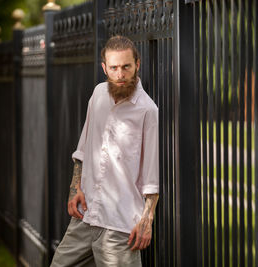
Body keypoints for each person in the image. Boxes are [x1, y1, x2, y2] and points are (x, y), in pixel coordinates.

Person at [50, 35, 159, 267]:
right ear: (104, 68)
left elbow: (151, 177)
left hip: (119, 226)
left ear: (137, 64)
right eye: (114, 68)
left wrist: (147, 220)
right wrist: (75, 187)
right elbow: (84, 146)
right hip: (86, 215)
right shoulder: (98, 94)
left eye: (126, 67)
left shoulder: (147, 110)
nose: (120, 74)